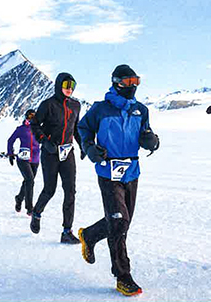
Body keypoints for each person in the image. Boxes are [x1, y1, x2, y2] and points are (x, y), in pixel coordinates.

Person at [78, 65, 159, 297]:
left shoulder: (140, 110)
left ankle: (89, 235)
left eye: (136, 81)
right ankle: (122, 275)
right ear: (116, 82)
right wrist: (90, 148)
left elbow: (147, 134)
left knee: (123, 222)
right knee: (118, 223)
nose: (132, 85)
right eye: (128, 81)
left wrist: (152, 141)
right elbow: (83, 128)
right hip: (107, 171)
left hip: (132, 171)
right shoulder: (100, 109)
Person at [29, 72, 82, 243]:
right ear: (59, 84)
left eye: (72, 86)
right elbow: (35, 124)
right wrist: (44, 141)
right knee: (49, 189)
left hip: (67, 153)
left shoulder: (75, 105)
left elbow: (76, 128)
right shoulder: (48, 105)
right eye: (66, 85)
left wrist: (83, 146)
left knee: (70, 192)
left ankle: (67, 231)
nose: (69, 89)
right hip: (51, 153)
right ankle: (36, 213)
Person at [7, 108, 41, 214]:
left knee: (27, 181)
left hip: (35, 159)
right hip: (23, 159)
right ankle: (29, 208)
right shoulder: (21, 129)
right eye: (29, 116)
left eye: (33, 116)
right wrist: (10, 154)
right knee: (30, 180)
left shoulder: (39, 129)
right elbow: (10, 140)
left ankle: (19, 198)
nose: (31, 118)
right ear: (26, 117)